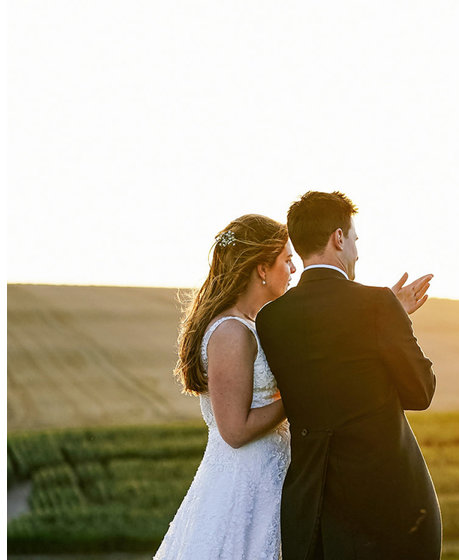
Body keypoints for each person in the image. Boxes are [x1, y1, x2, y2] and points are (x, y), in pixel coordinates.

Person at [155, 213, 431, 559]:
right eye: (287, 261)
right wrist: (301, 395)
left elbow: (328, 350)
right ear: (262, 270)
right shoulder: (231, 333)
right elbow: (235, 431)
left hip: (275, 475)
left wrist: (385, 313)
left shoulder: (260, 325)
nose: (293, 270)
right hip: (245, 487)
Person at [256, 191, 442, 560]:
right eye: (355, 240)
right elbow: (421, 392)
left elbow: (324, 368)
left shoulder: (271, 318)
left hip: (313, 507)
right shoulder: (377, 305)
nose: (357, 251)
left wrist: (385, 314)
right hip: (388, 505)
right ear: (338, 238)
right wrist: (395, 318)